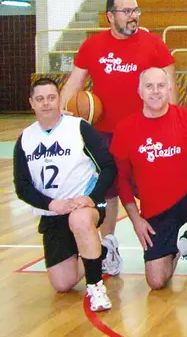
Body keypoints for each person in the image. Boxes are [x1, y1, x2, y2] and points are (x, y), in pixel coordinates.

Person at [60, 0, 176, 276]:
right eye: (126, 11)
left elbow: (168, 87)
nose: (133, 16)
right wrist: (60, 115)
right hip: (103, 136)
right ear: (110, 16)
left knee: (151, 191)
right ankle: (109, 244)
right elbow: (75, 83)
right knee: (109, 194)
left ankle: (162, 241)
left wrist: (169, 126)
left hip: (143, 132)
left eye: (136, 10)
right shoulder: (92, 46)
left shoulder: (154, 44)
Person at [110, 68, 187, 305]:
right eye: (149, 86)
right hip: (155, 209)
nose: (155, 91)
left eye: (160, 86)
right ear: (139, 91)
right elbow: (122, 180)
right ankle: (183, 246)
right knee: (157, 282)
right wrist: (136, 219)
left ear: (169, 89)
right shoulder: (126, 129)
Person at [13, 78, 117, 312]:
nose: (46, 103)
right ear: (31, 103)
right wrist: (52, 205)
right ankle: (100, 252)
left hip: (84, 208)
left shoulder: (79, 128)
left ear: (60, 100)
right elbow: (22, 187)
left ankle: (96, 287)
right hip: (53, 214)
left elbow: (108, 166)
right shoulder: (25, 139)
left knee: (79, 219)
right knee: (63, 283)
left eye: (51, 98)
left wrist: (92, 197)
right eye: (40, 99)